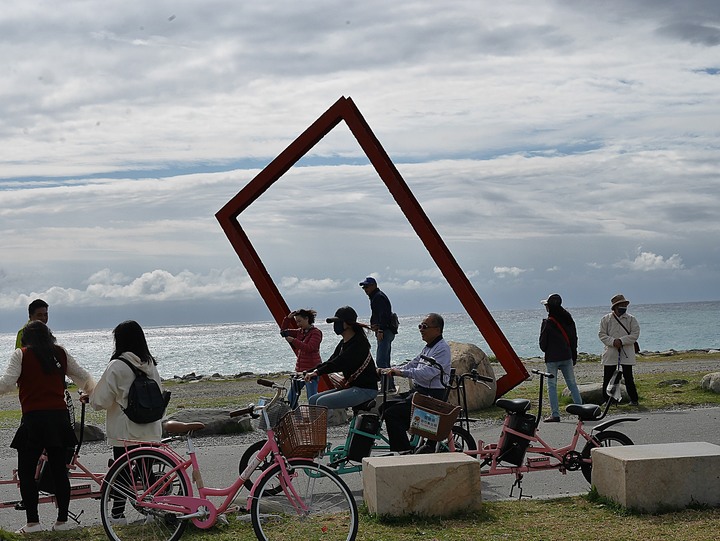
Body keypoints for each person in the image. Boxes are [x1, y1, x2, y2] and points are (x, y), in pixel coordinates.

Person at [0, 321, 95, 533]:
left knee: (26, 471)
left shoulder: (21, 354)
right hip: (59, 418)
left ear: (26, 338)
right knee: (59, 471)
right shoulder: (60, 353)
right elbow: (81, 376)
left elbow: (7, 383)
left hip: (34, 419)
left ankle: (33, 522)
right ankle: (62, 521)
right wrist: (92, 393)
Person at [87, 320, 165, 522]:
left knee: (120, 472)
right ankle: (153, 510)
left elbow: (101, 401)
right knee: (146, 471)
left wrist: (89, 397)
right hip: (150, 428)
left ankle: (117, 514)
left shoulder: (117, 365)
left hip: (125, 431)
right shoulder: (150, 365)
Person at [379, 313, 451, 453]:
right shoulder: (428, 348)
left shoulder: (442, 349)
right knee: (384, 407)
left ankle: (404, 450)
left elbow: (426, 374)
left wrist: (400, 373)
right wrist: (390, 369)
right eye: (420, 326)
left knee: (392, 414)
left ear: (437, 330)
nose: (421, 329)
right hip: (419, 393)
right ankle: (411, 439)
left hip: (430, 397)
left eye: (425, 326)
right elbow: (412, 364)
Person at [305, 306, 378, 409]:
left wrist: (317, 372)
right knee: (312, 400)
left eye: (338, 322)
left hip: (366, 389)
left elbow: (339, 363)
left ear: (348, 324)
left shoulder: (359, 343)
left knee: (322, 402)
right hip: (352, 387)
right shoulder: (343, 343)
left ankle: (323, 425)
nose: (335, 326)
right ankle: (315, 426)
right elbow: (331, 361)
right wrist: (308, 371)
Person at [539, 293, 583, 422]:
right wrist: (574, 355)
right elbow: (573, 338)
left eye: (546, 305)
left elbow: (542, 345)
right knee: (572, 384)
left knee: (552, 385)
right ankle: (581, 411)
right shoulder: (568, 318)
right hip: (567, 355)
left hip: (552, 358)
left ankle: (555, 414)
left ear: (549, 307)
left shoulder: (547, 323)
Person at [599, 294, 640, 405]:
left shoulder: (631, 319)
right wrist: (613, 342)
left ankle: (634, 399)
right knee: (608, 377)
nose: (623, 307)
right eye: (620, 305)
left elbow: (635, 334)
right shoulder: (605, 319)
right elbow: (602, 335)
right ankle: (607, 400)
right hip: (611, 352)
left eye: (624, 305)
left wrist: (621, 341)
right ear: (615, 307)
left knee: (628, 377)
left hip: (627, 352)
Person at [359, 276, 397, 392]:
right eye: (364, 287)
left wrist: (380, 329)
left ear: (374, 286)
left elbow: (383, 315)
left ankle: (387, 387)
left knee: (381, 360)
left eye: (367, 287)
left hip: (385, 330)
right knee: (385, 359)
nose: (365, 289)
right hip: (385, 329)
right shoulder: (376, 296)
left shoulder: (378, 297)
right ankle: (389, 386)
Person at [280, 309, 323, 407]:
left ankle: (314, 419)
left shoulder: (316, 333)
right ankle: (297, 417)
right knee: (291, 397)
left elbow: (310, 348)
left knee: (311, 397)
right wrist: (288, 318)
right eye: (296, 322)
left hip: (312, 370)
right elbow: (283, 332)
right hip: (300, 370)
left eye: (299, 321)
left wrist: (294, 341)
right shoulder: (300, 332)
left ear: (307, 319)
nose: (298, 324)